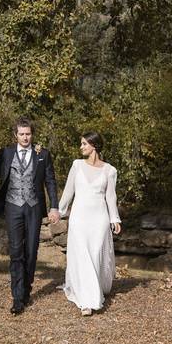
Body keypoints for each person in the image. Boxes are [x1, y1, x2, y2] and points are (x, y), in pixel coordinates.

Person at [0, 117, 60, 314]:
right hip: (13, 207)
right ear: (15, 135)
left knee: (31, 251)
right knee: (16, 252)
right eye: (21, 134)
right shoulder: (6, 153)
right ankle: (17, 297)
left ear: (32, 134)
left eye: (28, 134)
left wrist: (54, 206)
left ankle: (26, 289)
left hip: (34, 208)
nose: (25, 137)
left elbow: (50, 181)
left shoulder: (43, 155)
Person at [57, 131, 121, 316]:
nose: (81, 147)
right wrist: (58, 212)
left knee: (94, 255)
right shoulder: (76, 166)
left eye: (84, 144)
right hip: (79, 218)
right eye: (82, 144)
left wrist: (114, 218)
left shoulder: (110, 170)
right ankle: (87, 301)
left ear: (94, 145)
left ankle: (94, 289)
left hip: (99, 219)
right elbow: (68, 193)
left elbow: (111, 197)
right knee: (83, 256)